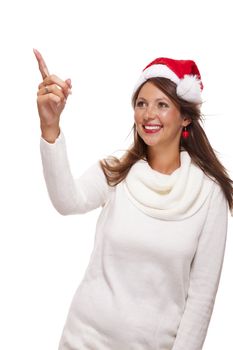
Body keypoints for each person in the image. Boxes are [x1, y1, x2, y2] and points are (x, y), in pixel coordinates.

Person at [34, 49, 232, 350]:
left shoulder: (208, 195)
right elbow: (67, 200)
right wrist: (50, 127)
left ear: (186, 118)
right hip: (81, 340)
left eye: (162, 105)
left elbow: (201, 302)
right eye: (141, 104)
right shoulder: (117, 172)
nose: (148, 114)